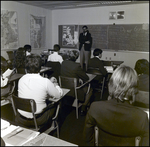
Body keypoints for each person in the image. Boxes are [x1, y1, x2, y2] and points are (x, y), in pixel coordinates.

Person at [83, 65, 149, 146]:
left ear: (111, 84)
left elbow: (87, 139)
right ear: (134, 89)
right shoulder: (142, 117)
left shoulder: (95, 108)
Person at [16, 54, 63, 127]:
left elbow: (34, 86)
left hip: (20, 118)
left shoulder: (21, 80)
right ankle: (54, 127)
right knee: (56, 104)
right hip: (38, 120)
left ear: (26, 68)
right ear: (40, 68)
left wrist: (48, 83)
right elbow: (58, 95)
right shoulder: (45, 82)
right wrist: (55, 85)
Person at [61, 50, 93, 115]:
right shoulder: (77, 66)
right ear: (76, 57)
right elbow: (86, 78)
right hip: (74, 90)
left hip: (63, 87)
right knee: (90, 90)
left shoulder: (63, 63)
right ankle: (83, 107)